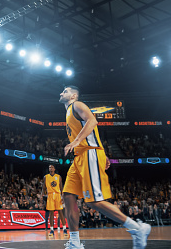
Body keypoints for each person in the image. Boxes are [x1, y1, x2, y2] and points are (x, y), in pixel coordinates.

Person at [59, 86, 150, 249]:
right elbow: (92, 134)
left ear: (73, 95)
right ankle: (74, 242)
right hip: (79, 157)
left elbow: (93, 121)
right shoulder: (68, 112)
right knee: (68, 196)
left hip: (89, 154)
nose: (61, 93)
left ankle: (137, 228)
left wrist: (76, 142)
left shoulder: (77, 105)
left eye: (65, 91)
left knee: (94, 202)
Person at [42, 164, 67, 237]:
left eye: (52, 167)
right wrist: (42, 195)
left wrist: (62, 196)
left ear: (54, 169)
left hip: (57, 195)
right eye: (49, 167)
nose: (50, 168)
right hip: (50, 195)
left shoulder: (58, 177)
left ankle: (64, 228)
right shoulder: (45, 177)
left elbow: (61, 187)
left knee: (60, 212)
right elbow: (43, 187)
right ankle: (52, 230)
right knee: (51, 213)